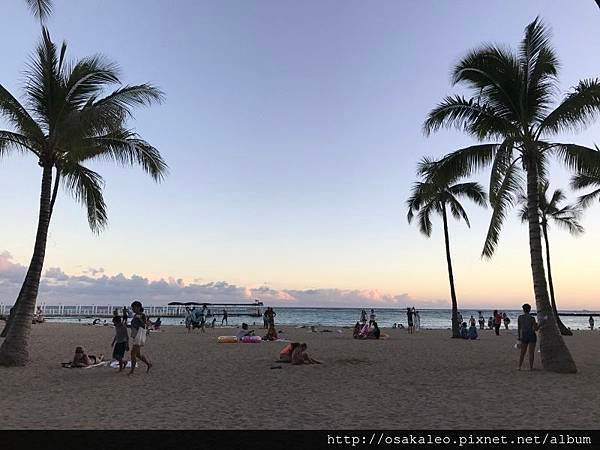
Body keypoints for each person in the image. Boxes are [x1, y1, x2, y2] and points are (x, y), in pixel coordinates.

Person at [129, 301, 152, 374]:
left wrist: (139, 319)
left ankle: (132, 371)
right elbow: (133, 324)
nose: (132, 309)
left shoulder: (142, 315)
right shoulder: (135, 315)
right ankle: (148, 364)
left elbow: (145, 324)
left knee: (133, 354)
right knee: (138, 354)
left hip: (139, 335)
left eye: (133, 307)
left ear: (138, 307)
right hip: (136, 335)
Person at [517, 303, 539, 371]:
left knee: (522, 353)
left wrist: (519, 337)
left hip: (524, 335)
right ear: (529, 310)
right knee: (531, 352)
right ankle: (531, 367)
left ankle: (519, 367)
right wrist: (540, 324)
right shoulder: (532, 318)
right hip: (531, 335)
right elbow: (535, 329)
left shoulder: (520, 317)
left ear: (523, 310)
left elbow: (519, 328)